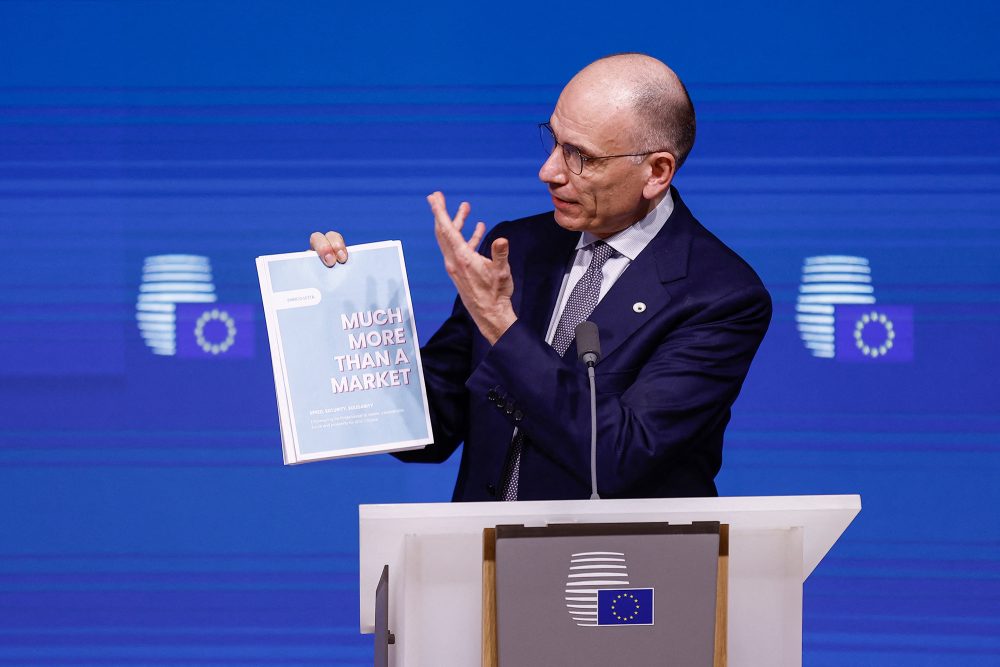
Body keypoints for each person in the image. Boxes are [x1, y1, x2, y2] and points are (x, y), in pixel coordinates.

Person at [310, 53, 771, 501]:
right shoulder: (520, 247)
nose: (548, 171)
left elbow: (620, 457)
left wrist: (501, 326)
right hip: (479, 565)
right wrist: (349, 319)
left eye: (580, 157)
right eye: (553, 141)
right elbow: (433, 425)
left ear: (656, 172)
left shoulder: (720, 295)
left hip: (609, 568)